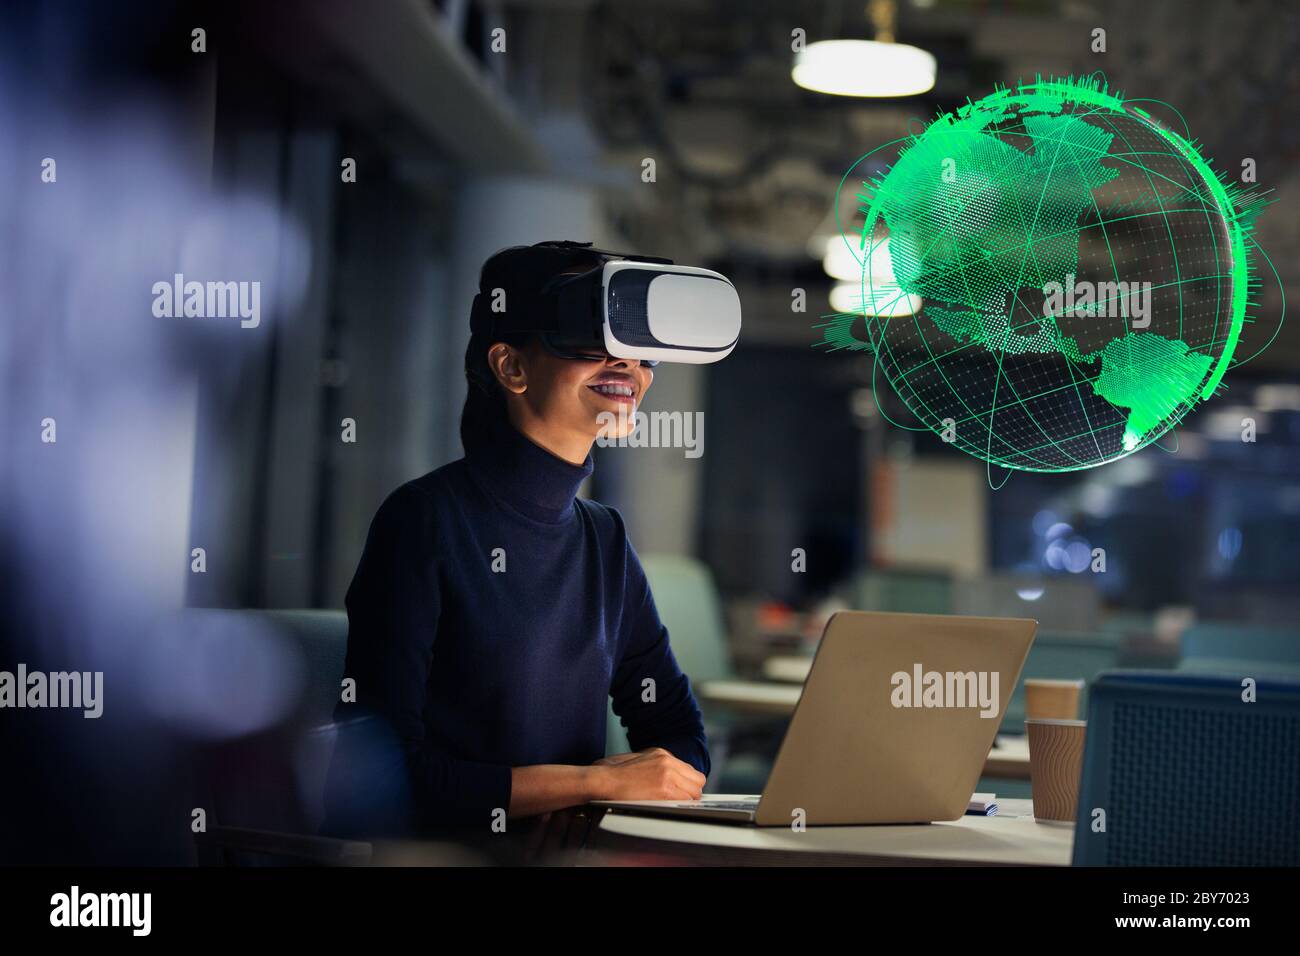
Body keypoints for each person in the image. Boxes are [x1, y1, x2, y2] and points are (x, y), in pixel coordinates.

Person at [322, 241, 708, 841]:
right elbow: (387, 774)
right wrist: (591, 785)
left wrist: (613, 790)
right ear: (512, 367)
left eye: (638, 346)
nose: (628, 364)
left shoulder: (604, 538)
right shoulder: (423, 521)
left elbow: (679, 734)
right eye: (592, 332)